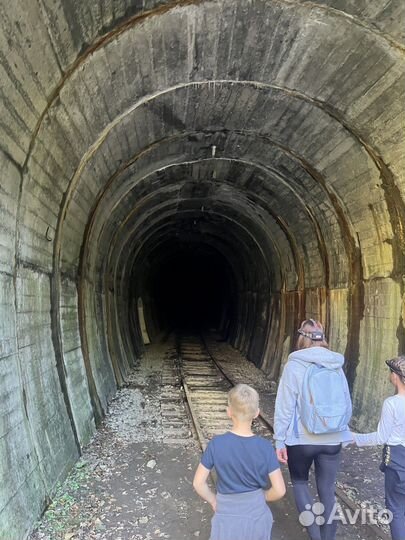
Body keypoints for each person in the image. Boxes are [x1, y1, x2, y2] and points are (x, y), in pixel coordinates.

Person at [273, 319, 352, 540]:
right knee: (327, 489)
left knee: (299, 483)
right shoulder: (336, 364)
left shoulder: (295, 365)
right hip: (332, 438)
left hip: (302, 439)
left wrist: (280, 440)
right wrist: (341, 433)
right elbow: (346, 401)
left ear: (302, 337)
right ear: (323, 338)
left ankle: (315, 536)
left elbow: (284, 406)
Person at [193, 383, 286, 540]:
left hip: (226, 515)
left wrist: (213, 499)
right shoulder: (265, 447)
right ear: (257, 413)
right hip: (256, 516)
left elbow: (198, 483)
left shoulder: (217, 444)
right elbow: (280, 490)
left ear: (229, 412)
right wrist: (261, 497)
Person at [351, 356, 405, 540]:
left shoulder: (392, 403)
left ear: (396, 377)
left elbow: (381, 437)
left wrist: (354, 438)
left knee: (396, 510)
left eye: (391, 371)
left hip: (397, 462)